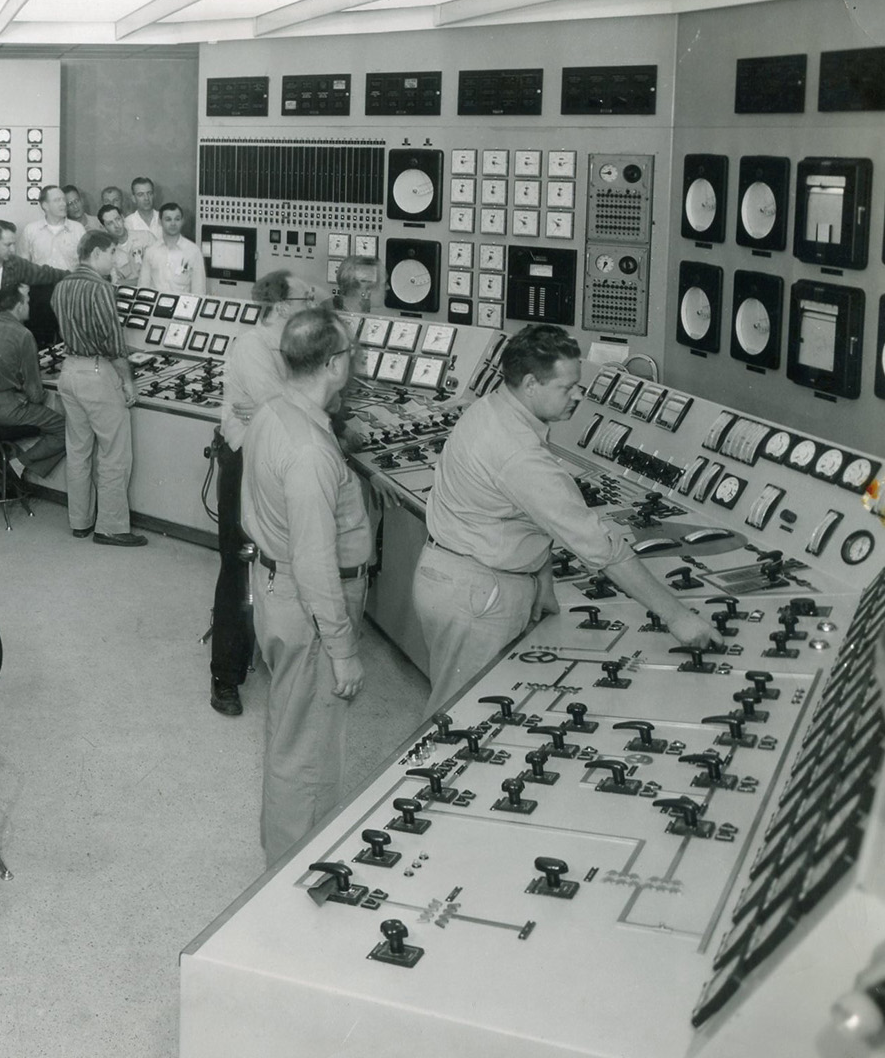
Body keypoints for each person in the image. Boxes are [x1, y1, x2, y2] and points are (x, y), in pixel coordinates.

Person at [414, 325, 723, 716]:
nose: (578, 395)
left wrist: (541, 580)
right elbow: (599, 547)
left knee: (470, 706)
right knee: (460, 717)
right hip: (478, 594)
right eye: (567, 387)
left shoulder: (492, 407)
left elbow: (518, 515)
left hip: (451, 574)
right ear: (530, 384)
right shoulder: (518, 454)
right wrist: (679, 617)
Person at [243, 307, 373, 859]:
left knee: (293, 733)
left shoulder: (274, 411)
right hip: (311, 608)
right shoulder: (311, 452)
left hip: (276, 590)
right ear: (333, 363)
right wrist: (342, 650)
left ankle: (288, 856)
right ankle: (292, 875)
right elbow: (317, 563)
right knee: (310, 753)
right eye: (349, 354)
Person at [207, 271, 314, 717]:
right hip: (247, 460)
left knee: (283, 563)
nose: (312, 301)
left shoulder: (301, 343)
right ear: (281, 304)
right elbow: (285, 403)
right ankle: (225, 675)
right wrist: (287, 401)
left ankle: (277, 658)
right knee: (239, 564)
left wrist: (284, 402)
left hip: (283, 462)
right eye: (305, 296)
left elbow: (301, 401)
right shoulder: (253, 344)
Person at [54, 230, 143, 547]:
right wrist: (128, 381)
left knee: (78, 452)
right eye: (111, 253)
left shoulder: (61, 287)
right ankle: (111, 527)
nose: (115, 259)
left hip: (69, 372)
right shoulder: (103, 289)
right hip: (97, 373)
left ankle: (80, 522)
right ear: (96, 254)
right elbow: (115, 344)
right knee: (114, 453)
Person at [0, 285, 66, 477]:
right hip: (3, 413)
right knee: (65, 429)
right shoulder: (23, 335)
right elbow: (35, 394)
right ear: (18, 306)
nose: (29, 306)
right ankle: (16, 465)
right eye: (27, 302)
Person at [23, 186, 84, 348]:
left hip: (71, 294)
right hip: (40, 296)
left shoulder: (78, 230)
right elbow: (23, 269)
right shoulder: (31, 231)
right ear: (44, 205)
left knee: (73, 344)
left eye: (64, 200)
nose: (64, 204)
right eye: (57, 200)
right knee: (41, 346)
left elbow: (86, 265)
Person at [140, 203, 204, 295]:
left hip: (183, 307)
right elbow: (143, 287)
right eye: (168, 219)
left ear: (182, 221)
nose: (173, 223)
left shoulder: (193, 251)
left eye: (177, 219)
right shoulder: (151, 251)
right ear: (160, 221)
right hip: (156, 306)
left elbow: (199, 290)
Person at [96, 204, 151, 286]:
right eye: (110, 223)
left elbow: (161, 267)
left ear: (123, 218)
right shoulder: (106, 253)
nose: (116, 225)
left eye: (117, 219)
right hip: (126, 296)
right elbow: (115, 284)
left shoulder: (146, 237)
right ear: (103, 227)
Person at [126, 177, 165, 243]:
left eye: (149, 193)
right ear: (133, 198)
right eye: (140, 194)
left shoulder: (165, 218)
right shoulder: (127, 224)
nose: (146, 198)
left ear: (154, 195)